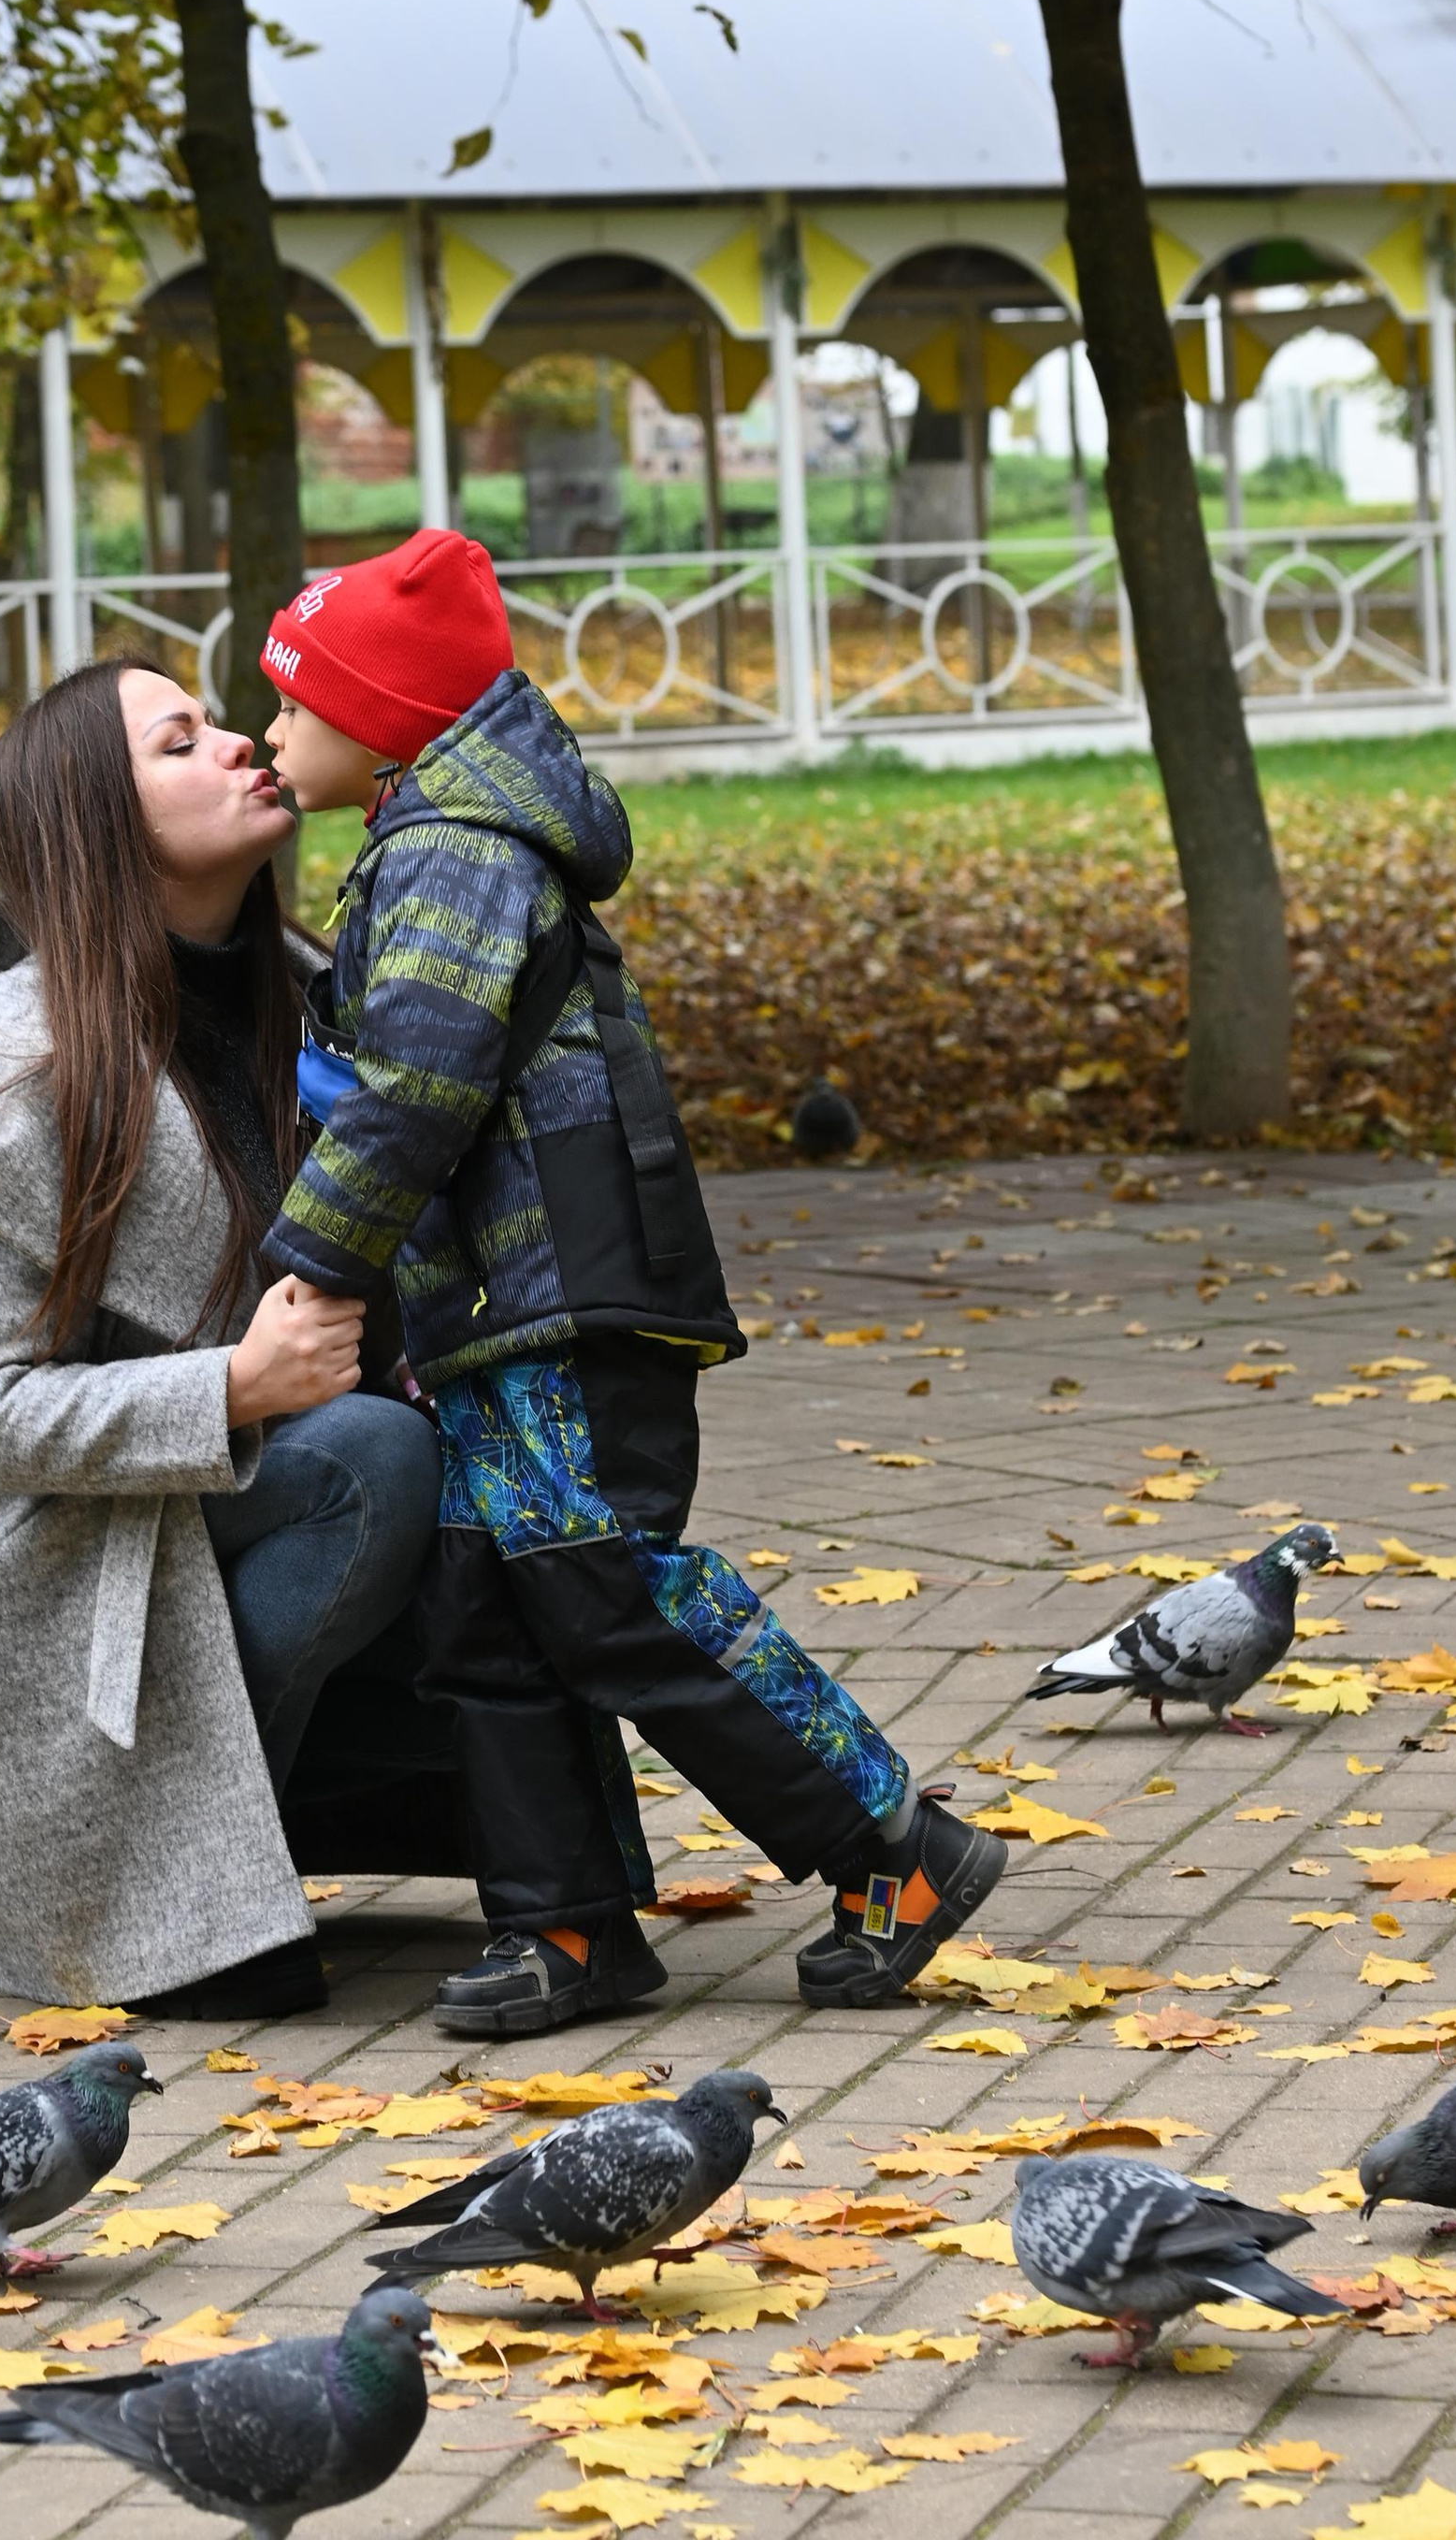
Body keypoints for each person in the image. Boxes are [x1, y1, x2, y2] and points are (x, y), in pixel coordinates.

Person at [258, 527, 1008, 2038]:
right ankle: (572, 1934)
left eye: (293, 699)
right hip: (499, 1312)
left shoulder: (453, 851)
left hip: (570, 1297)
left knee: (607, 1593)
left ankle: (894, 1847)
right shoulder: (429, 833)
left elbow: (419, 1091)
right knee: (485, 1612)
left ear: (386, 715)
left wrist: (313, 1259)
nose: (273, 729)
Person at [0, 660, 459, 2018]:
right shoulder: (19, 1077)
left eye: (220, 720)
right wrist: (231, 1386)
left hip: (188, 1495)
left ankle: (252, 1847)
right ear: (98, 826)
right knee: (367, 1461)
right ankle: (176, 1885)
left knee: (487, 1435)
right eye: (181, 741)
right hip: (16, 1558)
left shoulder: (302, 995)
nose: (241, 741)